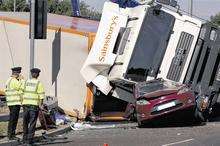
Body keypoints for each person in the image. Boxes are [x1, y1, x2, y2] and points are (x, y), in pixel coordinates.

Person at [22, 68, 45, 145]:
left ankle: (24, 138)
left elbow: (22, 92)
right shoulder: (39, 83)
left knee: (25, 122)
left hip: (25, 105)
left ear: (31, 74)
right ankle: (29, 140)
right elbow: (41, 95)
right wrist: (41, 105)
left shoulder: (26, 82)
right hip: (33, 106)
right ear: (38, 75)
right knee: (32, 123)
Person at [5, 67, 23, 140]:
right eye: (19, 73)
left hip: (10, 102)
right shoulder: (15, 81)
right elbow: (22, 88)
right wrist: (22, 80)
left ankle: (10, 134)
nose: (19, 74)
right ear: (16, 73)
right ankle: (11, 135)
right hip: (15, 102)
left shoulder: (8, 80)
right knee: (14, 119)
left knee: (12, 119)